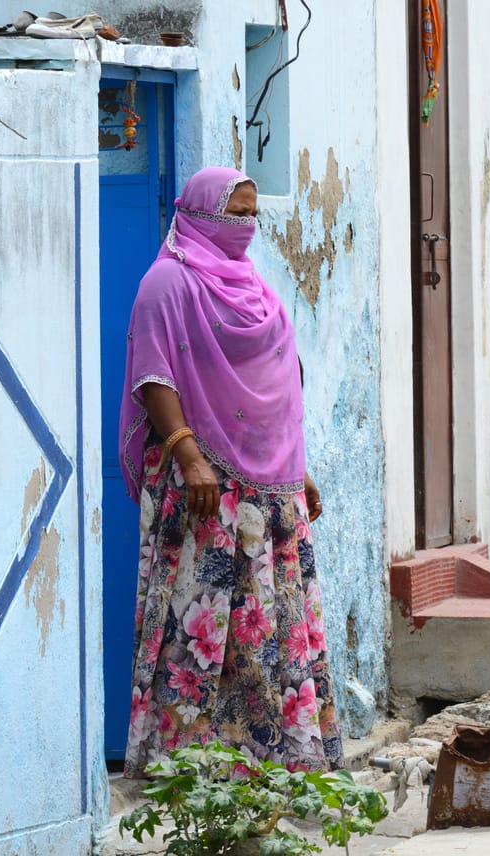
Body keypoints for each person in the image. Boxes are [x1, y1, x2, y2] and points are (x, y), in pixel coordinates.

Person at [117, 166, 344, 777]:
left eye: (251, 214)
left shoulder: (256, 288)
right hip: (205, 493)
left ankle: (271, 767)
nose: (243, 226)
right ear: (195, 213)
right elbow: (153, 374)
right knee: (203, 626)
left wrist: (298, 470)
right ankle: (192, 774)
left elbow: (277, 387)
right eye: (231, 213)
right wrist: (189, 453)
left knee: (267, 629)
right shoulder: (167, 283)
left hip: (270, 500)